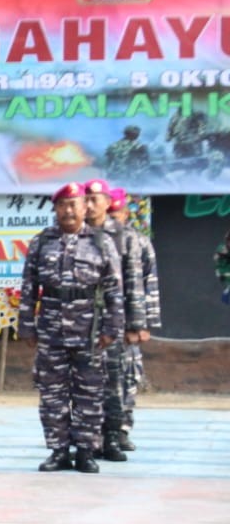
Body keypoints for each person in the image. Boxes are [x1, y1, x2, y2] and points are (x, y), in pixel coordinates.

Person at [18, 182, 124, 474]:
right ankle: (58, 450)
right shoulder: (42, 242)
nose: (69, 210)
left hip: (89, 331)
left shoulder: (101, 243)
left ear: (84, 207)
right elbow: (29, 289)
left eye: (74, 204)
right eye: (63, 205)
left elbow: (114, 289)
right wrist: (27, 327)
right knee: (52, 393)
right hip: (51, 330)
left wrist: (111, 328)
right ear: (55, 209)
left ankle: (86, 451)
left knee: (89, 393)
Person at [83, 179, 147, 463]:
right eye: (86, 198)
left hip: (112, 319)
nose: (89, 203)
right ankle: (86, 438)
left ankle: (114, 435)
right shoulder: (72, 233)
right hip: (78, 320)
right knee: (82, 381)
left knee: (114, 380)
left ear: (108, 203)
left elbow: (135, 282)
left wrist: (137, 324)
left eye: (95, 198)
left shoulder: (125, 236)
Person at [108, 186, 159, 451]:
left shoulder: (138, 242)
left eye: (115, 212)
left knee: (129, 376)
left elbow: (149, 285)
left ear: (125, 213)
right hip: (99, 322)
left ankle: (122, 429)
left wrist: (143, 324)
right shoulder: (91, 240)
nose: (111, 217)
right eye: (108, 212)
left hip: (128, 323)